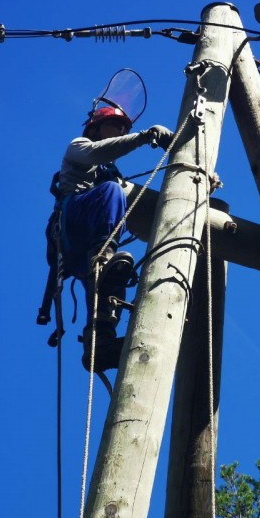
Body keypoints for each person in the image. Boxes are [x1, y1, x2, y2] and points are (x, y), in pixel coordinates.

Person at [58, 105, 174, 372]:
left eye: (125, 128)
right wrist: (144, 137)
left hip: (85, 246)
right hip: (73, 223)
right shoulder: (79, 146)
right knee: (111, 192)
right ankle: (105, 255)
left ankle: (100, 343)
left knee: (111, 278)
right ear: (95, 127)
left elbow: (142, 207)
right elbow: (98, 152)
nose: (122, 131)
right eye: (117, 126)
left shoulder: (112, 177)